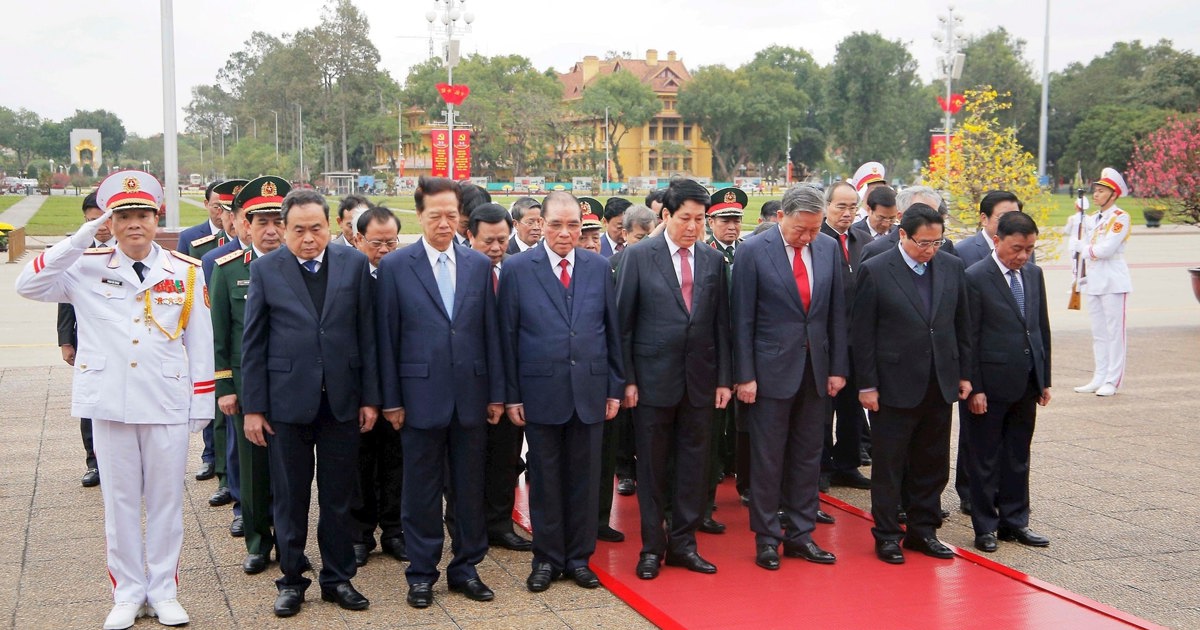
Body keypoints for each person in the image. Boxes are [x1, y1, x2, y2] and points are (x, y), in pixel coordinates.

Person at [18, 170, 214, 629]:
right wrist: (82, 236)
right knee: (120, 503)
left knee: (166, 501)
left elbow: (201, 342)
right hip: (110, 400)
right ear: (111, 220)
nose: (134, 224)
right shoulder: (85, 266)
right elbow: (27, 284)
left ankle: (164, 590)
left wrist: (201, 403)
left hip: (165, 399)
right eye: (123, 216)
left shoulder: (185, 271)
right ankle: (126, 593)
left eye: (142, 214)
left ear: (156, 216)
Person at [241, 188, 380, 618]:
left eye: (316, 228)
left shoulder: (353, 264)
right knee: (290, 498)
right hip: (287, 404)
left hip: (341, 402)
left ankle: (338, 579)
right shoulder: (267, 270)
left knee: (338, 497)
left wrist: (371, 399)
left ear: (330, 226)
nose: (308, 238)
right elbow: (254, 345)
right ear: (283, 230)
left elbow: (367, 337)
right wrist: (253, 408)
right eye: (298, 230)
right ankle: (291, 580)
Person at [376, 176, 504, 609]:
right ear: (420, 216)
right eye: (436, 216)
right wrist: (391, 399)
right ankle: (421, 574)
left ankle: (466, 568)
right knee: (421, 493)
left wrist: (496, 394)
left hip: (471, 396)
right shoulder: (396, 266)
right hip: (418, 400)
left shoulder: (477, 265)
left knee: (469, 491)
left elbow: (491, 335)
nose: (445, 223)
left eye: (453, 215)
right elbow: (386, 339)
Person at [498, 191, 623, 593]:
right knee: (546, 479)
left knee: (586, 481)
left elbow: (611, 332)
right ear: (541, 224)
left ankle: (578, 558)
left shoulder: (598, 266)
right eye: (556, 225)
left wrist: (613, 388)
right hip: (539, 392)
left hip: (589, 390)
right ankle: (547, 559)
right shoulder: (517, 268)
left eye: (573, 225)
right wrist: (512, 394)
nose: (565, 233)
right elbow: (508, 337)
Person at [616, 179, 732, 579]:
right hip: (651, 382)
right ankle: (652, 547)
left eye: (700, 220)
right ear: (666, 215)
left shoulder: (713, 260)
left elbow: (722, 325)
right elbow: (623, 325)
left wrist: (724, 380)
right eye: (686, 218)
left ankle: (684, 543)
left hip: (700, 382)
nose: (693, 227)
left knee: (694, 467)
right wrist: (627, 380)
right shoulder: (639, 256)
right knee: (651, 467)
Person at [732, 185, 848, 571]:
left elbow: (835, 314)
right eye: (802, 229)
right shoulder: (752, 251)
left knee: (807, 457)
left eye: (815, 229)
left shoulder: (828, 248)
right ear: (781, 217)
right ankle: (767, 538)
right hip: (768, 373)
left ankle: (801, 534)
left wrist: (836, 369)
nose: (808, 237)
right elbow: (742, 319)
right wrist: (744, 375)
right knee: (767, 459)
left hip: (815, 372)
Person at [852, 203, 971, 565]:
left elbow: (961, 325)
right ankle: (887, 534)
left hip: (939, 382)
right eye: (924, 243)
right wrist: (867, 385)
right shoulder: (875, 269)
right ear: (902, 234)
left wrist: (964, 374)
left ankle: (923, 530)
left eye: (937, 242)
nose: (931, 250)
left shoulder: (951, 266)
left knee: (932, 462)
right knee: (889, 465)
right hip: (893, 385)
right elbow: (863, 334)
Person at [210, 176, 290, 574]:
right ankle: (259, 542)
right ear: (245, 224)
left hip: (292, 385)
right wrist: (224, 386)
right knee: (254, 469)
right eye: (262, 222)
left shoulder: (302, 264)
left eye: (278, 220)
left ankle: (292, 542)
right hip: (246, 386)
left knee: (292, 472)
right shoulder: (226, 270)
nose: (271, 229)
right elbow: (220, 335)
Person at [963, 211, 1052, 553]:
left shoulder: (1033, 274)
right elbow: (968, 337)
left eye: (1029, 248)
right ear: (997, 240)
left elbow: (1040, 329)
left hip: (1025, 382)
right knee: (984, 459)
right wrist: (975, 386)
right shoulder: (974, 277)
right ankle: (985, 526)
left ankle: (1015, 522)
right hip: (988, 385)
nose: (1023, 256)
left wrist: (1044, 379)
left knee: (1018, 455)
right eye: (1017, 248)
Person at [465, 203, 533, 552]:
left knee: (507, 458)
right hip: (469, 386)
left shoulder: (518, 271)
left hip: (511, 383)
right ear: (469, 236)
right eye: (487, 241)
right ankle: (466, 528)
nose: (495, 248)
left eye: (502, 240)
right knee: (467, 462)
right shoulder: (460, 273)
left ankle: (500, 524)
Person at [952, 189, 1024, 514]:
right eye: (1001, 218)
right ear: (984, 219)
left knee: (1010, 443)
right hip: (977, 356)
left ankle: (1002, 496)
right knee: (974, 433)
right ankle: (969, 490)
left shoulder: (1022, 251)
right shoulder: (965, 251)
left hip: (1009, 364)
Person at [346, 206, 406, 567]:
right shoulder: (347, 275)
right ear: (358, 239)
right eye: (376, 243)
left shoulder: (406, 273)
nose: (384, 250)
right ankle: (360, 534)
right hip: (359, 389)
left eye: (391, 242)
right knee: (360, 464)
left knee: (397, 462)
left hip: (400, 387)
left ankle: (395, 530)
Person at [57, 192, 115, 488]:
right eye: (94, 220)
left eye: (105, 219)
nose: (101, 227)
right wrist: (67, 341)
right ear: (85, 220)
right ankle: (94, 462)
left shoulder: (129, 251)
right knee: (91, 401)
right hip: (90, 342)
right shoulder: (76, 252)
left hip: (122, 343)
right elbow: (66, 304)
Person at [200, 179, 249, 527]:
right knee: (232, 437)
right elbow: (213, 320)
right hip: (233, 365)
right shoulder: (214, 259)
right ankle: (236, 497)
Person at [818, 181, 871, 492]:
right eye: (841, 206)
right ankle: (822, 466)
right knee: (823, 409)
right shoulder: (817, 240)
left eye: (853, 207)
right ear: (827, 206)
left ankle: (847, 464)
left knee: (853, 408)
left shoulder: (862, 241)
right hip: (825, 339)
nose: (847, 213)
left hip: (857, 340)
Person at [699, 187, 745, 532]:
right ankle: (708, 485)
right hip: (712, 353)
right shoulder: (706, 255)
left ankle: (742, 474)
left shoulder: (747, 253)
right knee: (712, 425)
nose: (732, 226)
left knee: (743, 422)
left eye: (736, 220)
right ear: (710, 221)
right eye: (725, 220)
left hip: (740, 350)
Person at [178, 181, 228, 483]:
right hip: (203, 328)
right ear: (208, 205)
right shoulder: (193, 240)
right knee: (209, 395)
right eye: (216, 205)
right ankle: (210, 456)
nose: (220, 212)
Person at [1072, 168, 1132, 397]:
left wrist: (1084, 249)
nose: (1095, 195)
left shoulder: (1120, 218)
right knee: (1099, 333)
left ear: (1113, 194)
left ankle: (1113, 380)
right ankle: (1099, 376)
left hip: (1114, 281)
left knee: (1115, 334)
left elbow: (1105, 250)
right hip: (1095, 281)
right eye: (1095, 191)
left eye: (1101, 191)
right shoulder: (1093, 219)